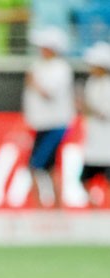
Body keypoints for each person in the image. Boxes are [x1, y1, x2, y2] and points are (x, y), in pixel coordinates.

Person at [22, 26, 75, 208]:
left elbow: (50, 93)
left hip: (54, 124)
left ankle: (44, 206)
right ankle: (54, 206)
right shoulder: (38, 65)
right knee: (51, 167)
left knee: (34, 166)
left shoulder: (61, 68)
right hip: (41, 123)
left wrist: (34, 82)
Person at [80, 42, 110, 208]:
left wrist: (88, 107)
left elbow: (104, 113)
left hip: (107, 143)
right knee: (84, 179)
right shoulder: (91, 82)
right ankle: (96, 208)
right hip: (93, 142)